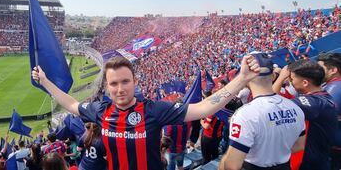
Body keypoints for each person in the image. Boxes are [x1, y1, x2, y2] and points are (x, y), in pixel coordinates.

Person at [32, 55, 261, 170]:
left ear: (134, 81)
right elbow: (71, 104)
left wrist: (241, 79)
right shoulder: (101, 110)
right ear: (107, 86)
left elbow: (203, 107)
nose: (120, 89)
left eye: (125, 81)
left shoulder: (155, 110)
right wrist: (45, 81)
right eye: (114, 84)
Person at [219, 53, 306, 170]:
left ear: (246, 79)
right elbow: (299, 146)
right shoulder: (296, 107)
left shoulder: (244, 114)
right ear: (272, 76)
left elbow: (232, 165)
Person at [287, 59, 338, 170]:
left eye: (292, 78)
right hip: (318, 160)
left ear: (305, 83)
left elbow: (276, 105)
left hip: (313, 164)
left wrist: (279, 79)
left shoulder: (317, 103)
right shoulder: (322, 98)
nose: (290, 82)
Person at [317, 52, 341, 170]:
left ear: (333, 70)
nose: (317, 72)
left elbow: (321, 114)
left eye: (320, 68)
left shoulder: (334, 88)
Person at [163, 99, 191, 170]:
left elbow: (166, 139)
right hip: (182, 149)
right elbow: (189, 133)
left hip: (172, 151)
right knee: (180, 166)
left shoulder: (170, 122)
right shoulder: (188, 120)